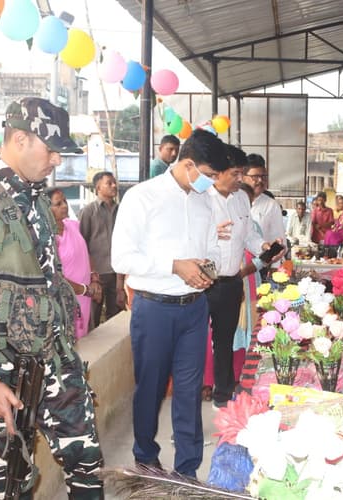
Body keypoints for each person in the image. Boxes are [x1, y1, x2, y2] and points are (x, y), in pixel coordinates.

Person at [0, 97, 103, 496]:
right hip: (4, 370)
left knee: (87, 463)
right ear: (20, 139)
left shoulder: (38, 199)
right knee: (11, 481)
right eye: (52, 150)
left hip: (55, 360)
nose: (57, 161)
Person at [111, 129, 229, 477]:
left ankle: (187, 470)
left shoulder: (204, 201)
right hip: (154, 308)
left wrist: (207, 270)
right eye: (208, 175)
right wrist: (175, 266)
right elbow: (121, 258)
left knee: (190, 391)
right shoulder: (142, 197)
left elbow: (211, 250)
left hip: (194, 308)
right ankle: (146, 458)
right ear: (188, 164)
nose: (211, 183)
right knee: (151, 387)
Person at [206, 144, 280, 409]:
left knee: (225, 340)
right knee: (199, 343)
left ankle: (223, 395)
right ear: (218, 172)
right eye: (235, 174)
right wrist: (211, 232)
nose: (241, 180)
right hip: (203, 283)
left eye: (242, 173)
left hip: (231, 282)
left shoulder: (240, 199)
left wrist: (263, 246)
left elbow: (249, 234)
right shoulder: (201, 198)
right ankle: (201, 389)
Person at [48, 188, 102, 340]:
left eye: (65, 201)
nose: (64, 206)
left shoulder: (74, 225)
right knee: (69, 341)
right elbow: (55, 276)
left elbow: (86, 252)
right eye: (58, 204)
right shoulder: (48, 239)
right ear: (46, 208)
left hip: (86, 296)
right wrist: (85, 290)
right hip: (66, 298)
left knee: (85, 340)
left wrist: (94, 278)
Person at [79, 171, 124, 327]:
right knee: (92, 318)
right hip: (96, 274)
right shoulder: (89, 211)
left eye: (114, 182)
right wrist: (91, 273)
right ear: (98, 187)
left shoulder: (122, 211)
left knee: (116, 318)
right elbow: (81, 243)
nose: (114, 186)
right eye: (109, 183)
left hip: (118, 273)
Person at [243, 154, 286, 252]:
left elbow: (280, 241)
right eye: (255, 177)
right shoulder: (234, 201)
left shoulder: (271, 205)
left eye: (263, 176)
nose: (260, 180)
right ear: (243, 177)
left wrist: (275, 256)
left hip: (263, 259)